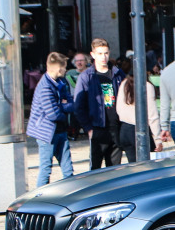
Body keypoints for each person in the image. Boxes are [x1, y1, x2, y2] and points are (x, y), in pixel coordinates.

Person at [26, 52, 76, 186]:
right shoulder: (45, 87)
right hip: (46, 134)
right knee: (46, 169)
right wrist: (64, 108)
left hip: (60, 130)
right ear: (59, 69)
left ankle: (70, 195)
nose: (66, 70)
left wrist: (62, 106)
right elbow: (53, 114)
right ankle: (40, 198)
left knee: (68, 169)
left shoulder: (61, 82)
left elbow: (72, 104)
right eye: (65, 67)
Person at [74, 38, 124, 169]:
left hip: (115, 126)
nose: (104, 57)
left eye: (106, 53)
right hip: (97, 127)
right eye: (100, 53)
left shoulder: (117, 73)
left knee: (115, 168)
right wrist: (88, 128)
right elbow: (79, 105)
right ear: (93, 55)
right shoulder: (87, 76)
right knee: (95, 169)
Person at [115, 61, 160, 163]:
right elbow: (152, 115)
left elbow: (118, 109)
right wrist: (158, 139)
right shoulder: (147, 86)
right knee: (147, 167)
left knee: (133, 166)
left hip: (124, 130)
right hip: (140, 130)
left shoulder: (124, 84)